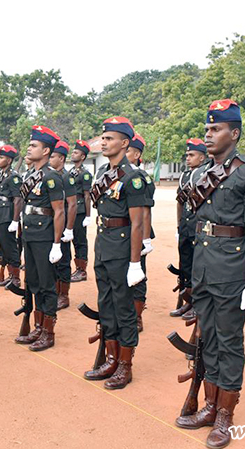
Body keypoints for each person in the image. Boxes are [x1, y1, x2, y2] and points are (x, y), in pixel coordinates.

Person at [175, 100, 245, 449]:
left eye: (216, 129)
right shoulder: (200, 174)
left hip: (231, 269)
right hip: (203, 266)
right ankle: (211, 405)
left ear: (235, 133)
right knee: (209, 338)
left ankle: (226, 416)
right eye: (207, 130)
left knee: (229, 342)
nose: (209, 135)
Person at [82, 117, 148, 390]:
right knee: (106, 304)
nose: (104, 142)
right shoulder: (102, 174)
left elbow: (137, 223)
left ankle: (125, 365)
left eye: (109, 138)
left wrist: (135, 262)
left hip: (122, 248)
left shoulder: (133, 178)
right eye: (103, 137)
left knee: (123, 308)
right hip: (104, 243)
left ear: (124, 143)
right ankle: (110, 358)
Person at [14, 126, 65, 351]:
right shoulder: (30, 176)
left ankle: (49, 331)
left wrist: (56, 243)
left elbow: (60, 211)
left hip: (45, 236)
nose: (29, 147)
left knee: (46, 284)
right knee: (33, 282)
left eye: (34, 145)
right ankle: (38, 326)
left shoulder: (51, 177)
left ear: (45, 151)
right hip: (30, 234)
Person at [170, 139, 208, 318]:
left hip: (197, 227)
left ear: (202, 157)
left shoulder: (206, 174)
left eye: (192, 155)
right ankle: (187, 301)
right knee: (184, 264)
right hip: (185, 226)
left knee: (196, 267)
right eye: (187, 155)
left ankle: (196, 304)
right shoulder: (185, 175)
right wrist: (179, 225)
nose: (188, 158)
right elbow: (179, 202)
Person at [126, 134, 155, 332]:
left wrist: (145, 239)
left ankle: (137, 316)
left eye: (128, 150)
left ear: (137, 154)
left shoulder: (142, 177)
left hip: (137, 232)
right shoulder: (113, 173)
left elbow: (145, 211)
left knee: (138, 275)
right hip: (118, 232)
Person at [49, 140, 77, 310]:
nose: (50, 159)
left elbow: (72, 204)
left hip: (63, 223)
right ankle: (55, 290)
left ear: (61, 158)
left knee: (64, 261)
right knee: (53, 261)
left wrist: (69, 229)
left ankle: (64, 295)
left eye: (53, 156)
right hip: (51, 223)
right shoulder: (50, 176)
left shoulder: (66, 177)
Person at [0, 145, 23, 288]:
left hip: (8, 215)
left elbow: (18, 199)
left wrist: (15, 220)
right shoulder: (1, 175)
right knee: (4, 246)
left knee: (10, 246)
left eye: (2, 157)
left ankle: (16, 277)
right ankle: (11, 274)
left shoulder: (14, 177)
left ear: (9, 160)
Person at [69, 140, 93, 282]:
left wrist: (88, 215)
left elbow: (87, 195)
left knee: (80, 240)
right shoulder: (71, 172)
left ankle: (81, 270)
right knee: (71, 240)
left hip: (79, 210)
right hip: (70, 208)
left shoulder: (85, 174)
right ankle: (76, 268)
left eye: (76, 152)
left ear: (82, 156)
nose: (73, 153)